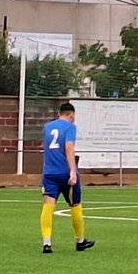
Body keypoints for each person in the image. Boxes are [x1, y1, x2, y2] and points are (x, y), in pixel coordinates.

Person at [38, 102, 94, 254]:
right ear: (71, 114)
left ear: (59, 114)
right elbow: (69, 148)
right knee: (75, 205)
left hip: (49, 173)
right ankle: (80, 240)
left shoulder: (48, 127)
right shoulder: (70, 127)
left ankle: (46, 243)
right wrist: (73, 171)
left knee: (48, 206)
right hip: (64, 172)